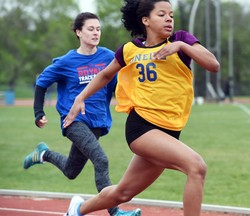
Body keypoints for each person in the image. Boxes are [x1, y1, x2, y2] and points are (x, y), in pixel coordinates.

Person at [63, 1, 220, 216]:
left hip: (169, 132)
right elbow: (106, 75)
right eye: (162, 14)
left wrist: (182, 47)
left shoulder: (181, 40)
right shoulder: (130, 49)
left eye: (171, 15)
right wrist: (80, 98)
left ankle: (77, 209)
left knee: (123, 192)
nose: (169, 19)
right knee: (196, 167)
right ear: (145, 20)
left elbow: (213, 64)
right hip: (142, 128)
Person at [22, 12, 141, 216]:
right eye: (90, 29)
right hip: (74, 121)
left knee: (71, 170)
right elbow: (41, 83)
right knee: (101, 160)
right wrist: (38, 112)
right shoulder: (66, 61)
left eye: (98, 29)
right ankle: (115, 212)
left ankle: (43, 153)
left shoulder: (107, 57)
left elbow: (116, 86)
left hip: (97, 122)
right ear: (79, 32)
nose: (96, 33)